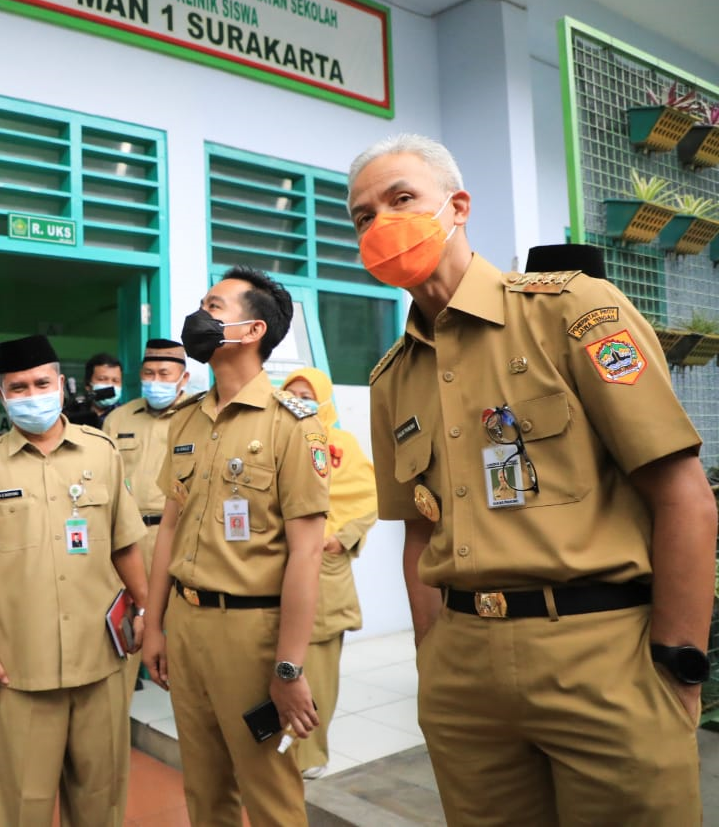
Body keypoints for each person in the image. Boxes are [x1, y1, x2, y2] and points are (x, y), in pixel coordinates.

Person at [351, 133, 716, 825]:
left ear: (457, 206)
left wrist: (679, 662)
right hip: (465, 670)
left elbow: (683, 495)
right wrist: (436, 665)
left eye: (401, 199)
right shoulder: (391, 377)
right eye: (362, 216)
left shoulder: (572, 310)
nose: (380, 224)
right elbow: (418, 532)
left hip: (601, 653)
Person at [141, 267, 330, 826]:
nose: (199, 317)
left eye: (214, 307)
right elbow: (169, 529)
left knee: (267, 791)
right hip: (188, 624)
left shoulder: (292, 425)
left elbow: (308, 554)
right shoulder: (187, 419)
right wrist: (156, 625)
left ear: (250, 331)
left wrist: (290, 668)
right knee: (203, 788)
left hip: (252, 636)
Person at [0, 334, 149, 826]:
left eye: (41, 382)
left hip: (101, 658)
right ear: (1, 395)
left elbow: (125, 544)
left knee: (100, 797)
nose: (31, 394)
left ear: (62, 385)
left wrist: (148, 614)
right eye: (18, 387)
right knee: (23, 804)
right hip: (21, 668)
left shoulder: (101, 452)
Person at [280, 367, 377, 780]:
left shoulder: (342, 445)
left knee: (317, 670)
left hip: (323, 570)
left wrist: (342, 537)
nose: (298, 401)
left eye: (306, 395)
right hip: (275, 569)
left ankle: (310, 754)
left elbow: (368, 497)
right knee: (280, 667)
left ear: (323, 401)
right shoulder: (273, 441)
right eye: (290, 395)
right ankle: (278, 752)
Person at [101, 338, 192, 698]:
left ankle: (186, 698)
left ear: (183, 379)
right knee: (125, 620)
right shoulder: (119, 419)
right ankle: (120, 696)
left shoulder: (198, 417)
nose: (156, 380)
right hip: (127, 538)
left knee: (182, 620)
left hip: (177, 536)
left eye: (165, 374)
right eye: (149, 373)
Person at [65, 352, 122, 427]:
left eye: (115, 381)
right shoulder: (73, 414)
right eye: (102, 379)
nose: (110, 385)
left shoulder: (126, 415)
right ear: (88, 385)